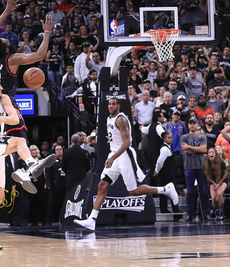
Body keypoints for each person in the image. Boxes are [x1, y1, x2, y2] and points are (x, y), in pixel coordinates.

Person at [0, 0, 56, 194]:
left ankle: (28, 166)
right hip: (5, 103)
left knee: (19, 138)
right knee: (17, 137)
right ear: (7, 49)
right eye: (7, 41)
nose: (7, 38)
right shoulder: (12, 60)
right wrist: (47, 33)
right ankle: (23, 165)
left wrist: (7, 10)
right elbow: (40, 55)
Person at [73, 98, 179, 231]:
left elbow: (126, 142)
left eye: (113, 104)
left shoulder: (121, 119)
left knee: (133, 191)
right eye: (109, 104)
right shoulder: (108, 119)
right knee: (102, 185)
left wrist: (113, 158)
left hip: (124, 155)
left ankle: (165, 189)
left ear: (118, 106)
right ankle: (92, 220)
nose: (111, 106)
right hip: (114, 154)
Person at [0, 77, 51, 250]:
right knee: (19, 142)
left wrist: (2, 120)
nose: (0, 87)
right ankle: (30, 165)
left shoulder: (5, 99)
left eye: (0, 84)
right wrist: (4, 139)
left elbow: (15, 119)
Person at [180, 118, 211, 222]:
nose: (192, 125)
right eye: (190, 123)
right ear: (188, 125)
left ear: (197, 125)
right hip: (188, 166)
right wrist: (197, 149)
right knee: (190, 191)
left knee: (203, 191)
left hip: (200, 166)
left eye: (194, 123)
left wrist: (190, 147)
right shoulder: (184, 137)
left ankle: (206, 214)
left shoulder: (202, 137)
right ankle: (190, 214)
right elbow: (185, 150)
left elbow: (204, 149)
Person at [204, 148, 228, 221]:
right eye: (209, 152)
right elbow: (208, 176)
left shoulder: (221, 162)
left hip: (223, 180)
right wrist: (214, 183)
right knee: (214, 198)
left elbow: (225, 174)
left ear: (215, 154)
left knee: (219, 194)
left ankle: (221, 213)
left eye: (212, 152)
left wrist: (219, 183)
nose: (211, 153)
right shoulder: (207, 164)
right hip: (213, 182)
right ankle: (216, 212)